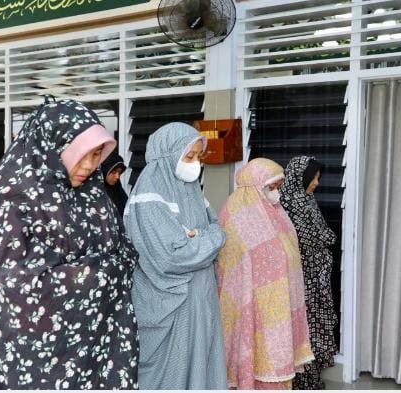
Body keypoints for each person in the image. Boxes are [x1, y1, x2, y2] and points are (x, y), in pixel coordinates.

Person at [0, 98, 139, 389]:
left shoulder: (93, 195)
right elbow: (11, 285)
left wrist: (99, 269)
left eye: (96, 155)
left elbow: (125, 251)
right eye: (80, 154)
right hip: (23, 356)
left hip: (94, 351)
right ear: (52, 148)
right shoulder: (8, 200)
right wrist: (99, 273)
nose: (89, 165)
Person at [124, 122, 228, 389]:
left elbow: (216, 229)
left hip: (199, 302)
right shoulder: (150, 193)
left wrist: (201, 237)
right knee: (169, 375)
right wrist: (207, 239)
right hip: (170, 307)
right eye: (189, 156)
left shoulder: (190, 188)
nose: (195, 164)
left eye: (197, 157)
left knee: (200, 370)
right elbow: (174, 256)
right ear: (168, 154)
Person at [216, 157, 314, 389]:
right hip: (249, 304)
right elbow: (234, 262)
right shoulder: (234, 213)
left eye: (278, 187)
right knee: (253, 354)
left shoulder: (276, 212)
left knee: (275, 358)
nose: (276, 193)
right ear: (256, 185)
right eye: (272, 187)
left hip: (276, 303)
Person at [280, 156, 338, 390]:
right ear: (300, 176)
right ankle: (305, 380)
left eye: (317, 178)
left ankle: (309, 378)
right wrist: (329, 238)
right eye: (313, 177)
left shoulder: (305, 199)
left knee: (308, 326)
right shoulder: (294, 203)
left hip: (312, 275)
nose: (316, 183)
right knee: (305, 326)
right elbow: (314, 237)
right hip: (303, 278)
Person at [100, 149, 128, 217]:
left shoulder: (119, 193)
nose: (117, 177)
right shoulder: (97, 194)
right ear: (105, 171)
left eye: (119, 173)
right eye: (114, 172)